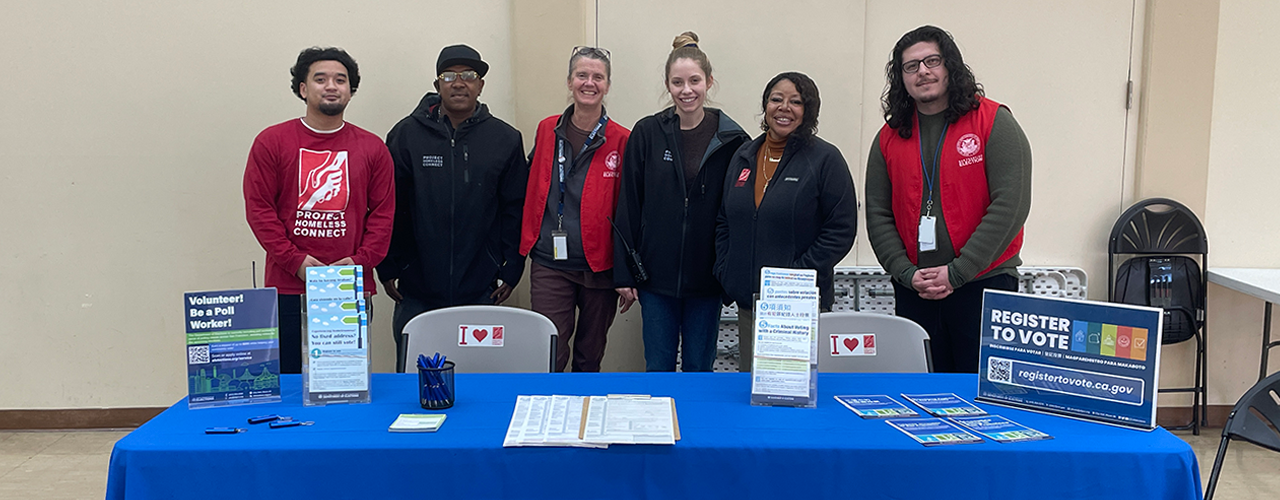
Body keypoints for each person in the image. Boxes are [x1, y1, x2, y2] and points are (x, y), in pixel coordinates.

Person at [866, 25, 1032, 374]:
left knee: (983, 399)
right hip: (915, 289)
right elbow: (878, 214)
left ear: (949, 66)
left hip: (984, 285)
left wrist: (957, 273)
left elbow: (1010, 206)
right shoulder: (889, 137)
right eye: (910, 66)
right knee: (922, 396)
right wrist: (905, 273)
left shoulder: (993, 122)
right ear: (901, 78)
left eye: (931, 61)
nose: (922, 71)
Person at [377, 44, 528, 373]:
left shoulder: (505, 139)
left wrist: (512, 267)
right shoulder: (405, 136)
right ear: (437, 85)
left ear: (480, 85)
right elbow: (388, 205)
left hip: (480, 286)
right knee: (414, 380)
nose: (459, 83)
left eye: (469, 76)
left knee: (478, 379)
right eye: (449, 76)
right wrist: (388, 267)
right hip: (416, 289)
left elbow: (516, 208)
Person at [243, 47, 395, 374]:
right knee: (288, 385)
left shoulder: (373, 148)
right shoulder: (271, 142)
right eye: (320, 79)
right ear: (302, 89)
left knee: (342, 383)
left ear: (351, 91)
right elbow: (259, 209)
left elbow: (383, 215)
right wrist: (294, 261)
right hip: (287, 285)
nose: (331, 86)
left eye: (340, 80)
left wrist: (359, 262)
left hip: (347, 285)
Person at [614, 32, 749, 372]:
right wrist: (624, 272)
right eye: (678, 82)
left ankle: (695, 427)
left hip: (707, 280)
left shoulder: (734, 141)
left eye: (694, 81)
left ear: (709, 82)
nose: (686, 90)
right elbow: (629, 203)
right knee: (657, 367)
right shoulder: (646, 133)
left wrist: (730, 272)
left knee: (699, 369)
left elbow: (739, 213)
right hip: (655, 279)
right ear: (667, 85)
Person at [715, 72, 857, 373]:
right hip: (750, 302)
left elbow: (841, 230)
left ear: (809, 110)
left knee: (792, 393)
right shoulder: (745, 155)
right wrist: (727, 269)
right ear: (765, 106)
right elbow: (724, 218)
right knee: (751, 391)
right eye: (776, 99)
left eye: (796, 101)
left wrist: (795, 276)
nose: (784, 107)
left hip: (798, 304)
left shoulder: (825, 159)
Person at [520, 46, 631, 372]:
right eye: (582, 75)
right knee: (550, 353)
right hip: (550, 263)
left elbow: (629, 209)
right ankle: (551, 419)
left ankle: (585, 417)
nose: (589, 83)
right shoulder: (546, 130)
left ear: (607, 85)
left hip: (600, 265)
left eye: (598, 77)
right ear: (570, 81)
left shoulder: (622, 139)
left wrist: (624, 270)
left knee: (589, 357)